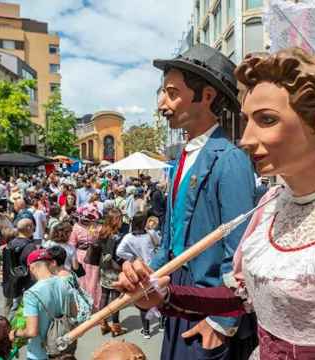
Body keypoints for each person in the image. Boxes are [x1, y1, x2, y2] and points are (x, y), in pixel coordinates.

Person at [115, 48, 315, 360]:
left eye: (267, 120)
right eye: (247, 121)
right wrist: (166, 295)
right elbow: (242, 298)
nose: (246, 139)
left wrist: (217, 322)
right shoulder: (269, 207)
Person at [144, 43, 258, 360]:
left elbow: (239, 251)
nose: (161, 104)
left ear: (206, 96)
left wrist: (221, 321)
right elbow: (171, 235)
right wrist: (150, 277)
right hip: (177, 296)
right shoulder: (184, 156)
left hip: (210, 306)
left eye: (171, 93)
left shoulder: (230, 159)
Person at [9, 249, 77, 360]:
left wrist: (15, 333)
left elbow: (32, 331)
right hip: (64, 349)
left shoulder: (31, 294)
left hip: (39, 353)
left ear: (31, 267)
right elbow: (75, 313)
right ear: (50, 264)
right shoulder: (65, 283)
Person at [116, 211, 157, 339]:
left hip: (139, 271)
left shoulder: (128, 237)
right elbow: (160, 244)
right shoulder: (151, 234)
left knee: (143, 299)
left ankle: (146, 330)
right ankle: (161, 325)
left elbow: (119, 251)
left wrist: (132, 257)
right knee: (159, 296)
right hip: (154, 268)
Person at [96, 208, 125, 337]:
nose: (122, 221)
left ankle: (102, 323)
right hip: (114, 268)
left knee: (104, 295)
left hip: (104, 267)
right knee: (115, 298)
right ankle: (115, 326)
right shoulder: (117, 236)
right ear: (115, 220)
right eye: (120, 218)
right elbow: (119, 254)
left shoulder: (102, 231)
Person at [45, 245, 92, 324]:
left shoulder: (59, 280)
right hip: (79, 309)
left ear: (53, 262)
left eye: (47, 262)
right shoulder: (71, 273)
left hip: (70, 314)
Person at [2, 218, 38, 317]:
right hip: (24, 285)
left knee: (8, 308)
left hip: (9, 283)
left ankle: (3, 329)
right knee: (17, 311)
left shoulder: (10, 244)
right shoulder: (30, 246)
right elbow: (34, 268)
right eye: (32, 226)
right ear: (29, 228)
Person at [67, 205, 101, 311]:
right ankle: (84, 304)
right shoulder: (76, 227)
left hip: (93, 255)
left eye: (90, 218)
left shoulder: (96, 226)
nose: (88, 220)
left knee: (94, 280)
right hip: (81, 255)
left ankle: (94, 305)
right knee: (82, 280)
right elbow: (72, 245)